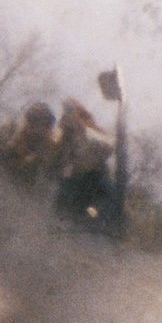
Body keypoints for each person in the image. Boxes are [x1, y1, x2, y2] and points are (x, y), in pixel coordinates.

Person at [53, 97, 117, 227]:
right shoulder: (65, 125)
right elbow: (55, 144)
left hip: (91, 182)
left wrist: (91, 215)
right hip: (72, 178)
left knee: (103, 199)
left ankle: (85, 217)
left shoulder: (91, 130)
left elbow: (109, 145)